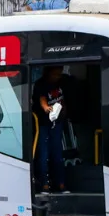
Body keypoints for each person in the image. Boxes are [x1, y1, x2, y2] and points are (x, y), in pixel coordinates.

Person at [32, 65, 68, 194]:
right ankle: (44, 185)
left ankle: (61, 184)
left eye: (59, 74)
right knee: (43, 155)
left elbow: (62, 100)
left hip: (57, 123)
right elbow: (42, 99)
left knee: (58, 155)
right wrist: (46, 108)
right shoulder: (41, 84)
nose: (57, 76)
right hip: (43, 123)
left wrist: (64, 113)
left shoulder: (61, 83)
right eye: (55, 74)